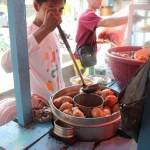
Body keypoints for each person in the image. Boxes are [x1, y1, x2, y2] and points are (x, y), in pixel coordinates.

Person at [0, 0, 66, 125]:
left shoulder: (54, 31)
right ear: (36, 6)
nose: (57, 16)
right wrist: (45, 28)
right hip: (40, 110)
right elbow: (5, 64)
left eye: (60, 10)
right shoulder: (28, 31)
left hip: (58, 103)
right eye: (51, 9)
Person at [75, 0, 129, 73]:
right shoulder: (87, 15)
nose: (100, 0)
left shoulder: (90, 14)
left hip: (88, 54)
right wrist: (129, 18)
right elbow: (106, 22)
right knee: (87, 81)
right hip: (83, 58)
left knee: (91, 79)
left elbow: (83, 37)